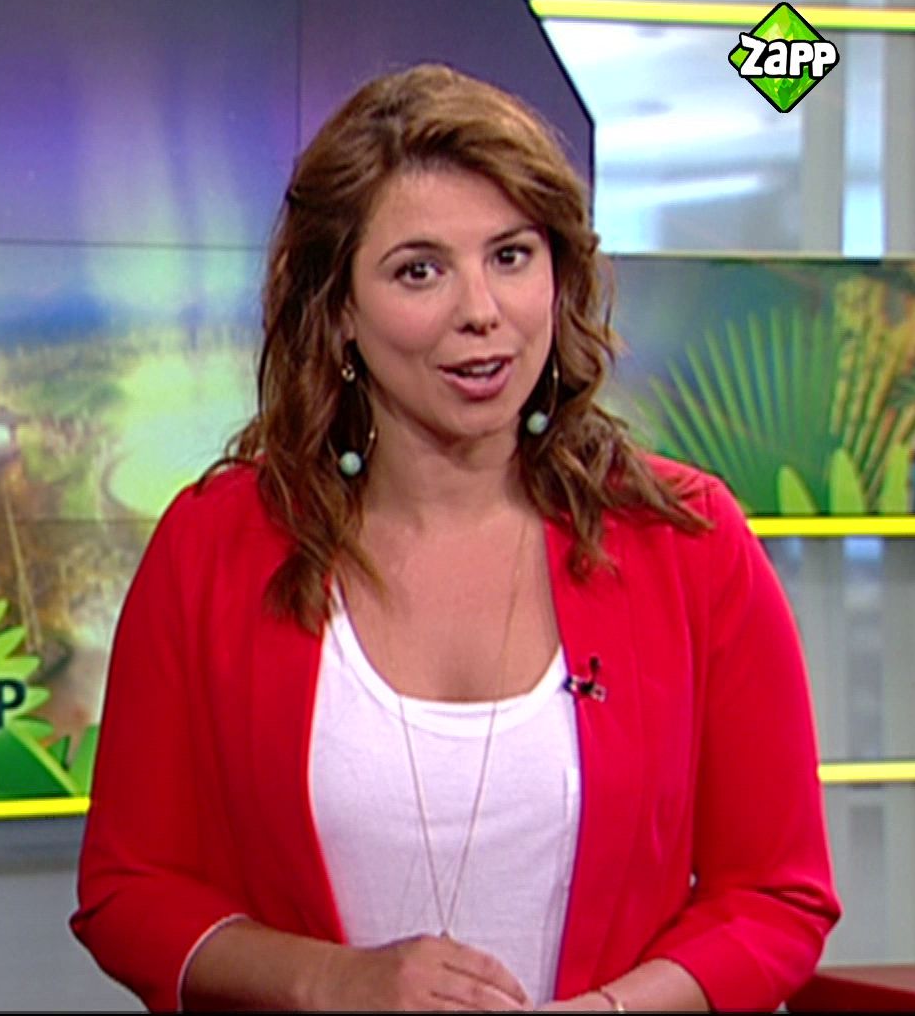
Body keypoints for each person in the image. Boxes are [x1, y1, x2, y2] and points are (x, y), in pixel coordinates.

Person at [69, 64, 840, 1012]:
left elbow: (775, 896)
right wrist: (335, 981)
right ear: (339, 311)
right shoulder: (216, 547)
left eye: (511, 256)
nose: (482, 309)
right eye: (419, 270)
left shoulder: (688, 542)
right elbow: (129, 890)